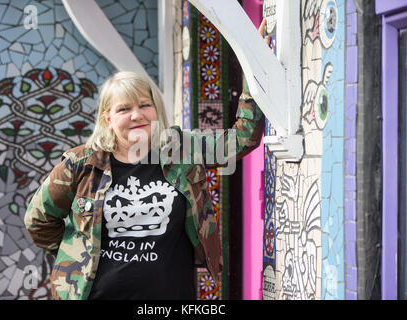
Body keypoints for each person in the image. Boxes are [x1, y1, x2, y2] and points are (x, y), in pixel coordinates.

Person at [24, 20, 270, 300]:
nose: (136, 115)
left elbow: (242, 139)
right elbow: (38, 221)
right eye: (124, 109)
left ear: (156, 109)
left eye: (145, 105)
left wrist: (254, 60)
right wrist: (78, 251)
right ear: (108, 119)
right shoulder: (81, 164)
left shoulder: (181, 150)